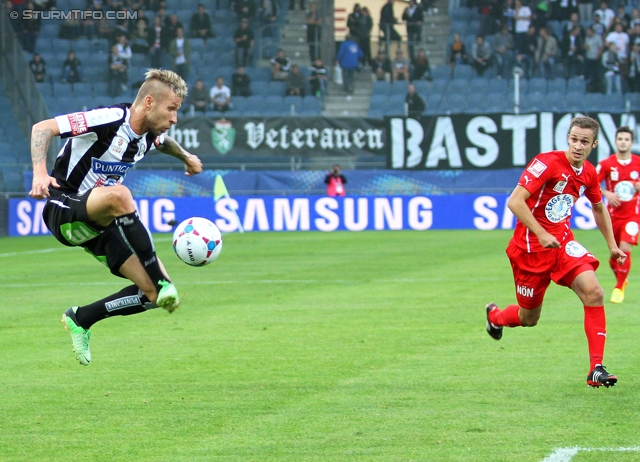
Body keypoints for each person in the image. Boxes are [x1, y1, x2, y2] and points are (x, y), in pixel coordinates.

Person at [28, 69, 203, 366]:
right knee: (120, 195)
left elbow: (165, 143)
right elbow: (42, 128)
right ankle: (161, 281)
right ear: (149, 102)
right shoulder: (109, 118)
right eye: (171, 109)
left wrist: (185, 156)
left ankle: (81, 318)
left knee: (153, 296)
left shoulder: (149, 135)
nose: (174, 118)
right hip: (62, 207)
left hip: (99, 222)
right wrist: (40, 173)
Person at [485, 116, 624, 388]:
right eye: (574, 139)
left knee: (594, 292)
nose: (578, 146)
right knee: (529, 318)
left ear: (593, 144)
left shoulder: (589, 173)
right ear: (568, 139)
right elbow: (515, 202)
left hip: (561, 245)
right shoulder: (546, 163)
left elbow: (598, 208)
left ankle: (596, 368)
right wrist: (540, 232)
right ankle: (495, 317)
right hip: (530, 250)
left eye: (584, 141)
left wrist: (612, 245)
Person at [596, 126, 640, 303]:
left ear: (631, 142)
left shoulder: (638, 162)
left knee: (625, 248)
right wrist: (607, 194)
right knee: (614, 257)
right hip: (612, 217)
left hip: (633, 215)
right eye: (620, 139)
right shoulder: (607, 164)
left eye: (626, 139)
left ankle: (618, 287)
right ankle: (623, 280)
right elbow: (591, 183)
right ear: (615, 142)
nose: (623, 142)